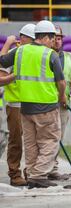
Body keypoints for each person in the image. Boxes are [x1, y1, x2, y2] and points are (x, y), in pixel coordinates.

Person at [0, 20, 66, 189]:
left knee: (30, 144)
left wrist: (8, 44)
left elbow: (2, 60)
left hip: (25, 106)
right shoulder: (50, 54)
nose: (53, 42)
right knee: (51, 142)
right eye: (53, 38)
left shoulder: (19, 52)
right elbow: (61, 82)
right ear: (46, 37)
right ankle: (37, 175)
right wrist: (61, 98)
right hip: (46, 105)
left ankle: (32, 174)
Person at [0, 24, 36, 186]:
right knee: (16, 141)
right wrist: (17, 75)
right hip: (15, 104)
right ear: (23, 38)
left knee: (33, 141)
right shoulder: (14, 54)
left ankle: (32, 173)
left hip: (33, 102)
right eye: (33, 39)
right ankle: (15, 174)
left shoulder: (36, 55)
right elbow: (1, 78)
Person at [48, 24, 71, 180]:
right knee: (46, 138)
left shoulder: (70, 57)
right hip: (46, 103)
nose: (57, 40)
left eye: (59, 38)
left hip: (63, 105)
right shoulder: (43, 55)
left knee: (58, 138)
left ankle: (52, 169)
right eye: (54, 37)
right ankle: (41, 169)